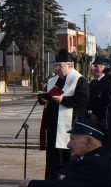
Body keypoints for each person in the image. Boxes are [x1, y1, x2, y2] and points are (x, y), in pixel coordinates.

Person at [38, 49, 88, 178]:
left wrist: (64, 100)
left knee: (66, 156)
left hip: (69, 125)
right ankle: (51, 179)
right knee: (53, 157)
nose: (57, 68)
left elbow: (83, 99)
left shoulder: (78, 80)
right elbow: (45, 94)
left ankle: (65, 181)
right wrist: (42, 99)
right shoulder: (53, 80)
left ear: (69, 66)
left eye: (60, 65)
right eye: (56, 65)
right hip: (53, 127)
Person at [86, 56, 111, 124]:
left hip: (102, 120)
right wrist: (90, 113)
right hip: (90, 117)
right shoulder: (92, 83)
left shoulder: (108, 83)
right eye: (93, 66)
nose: (94, 69)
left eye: (96, 66)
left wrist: (98, 115)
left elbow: (108, 102)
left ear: (104, 67)